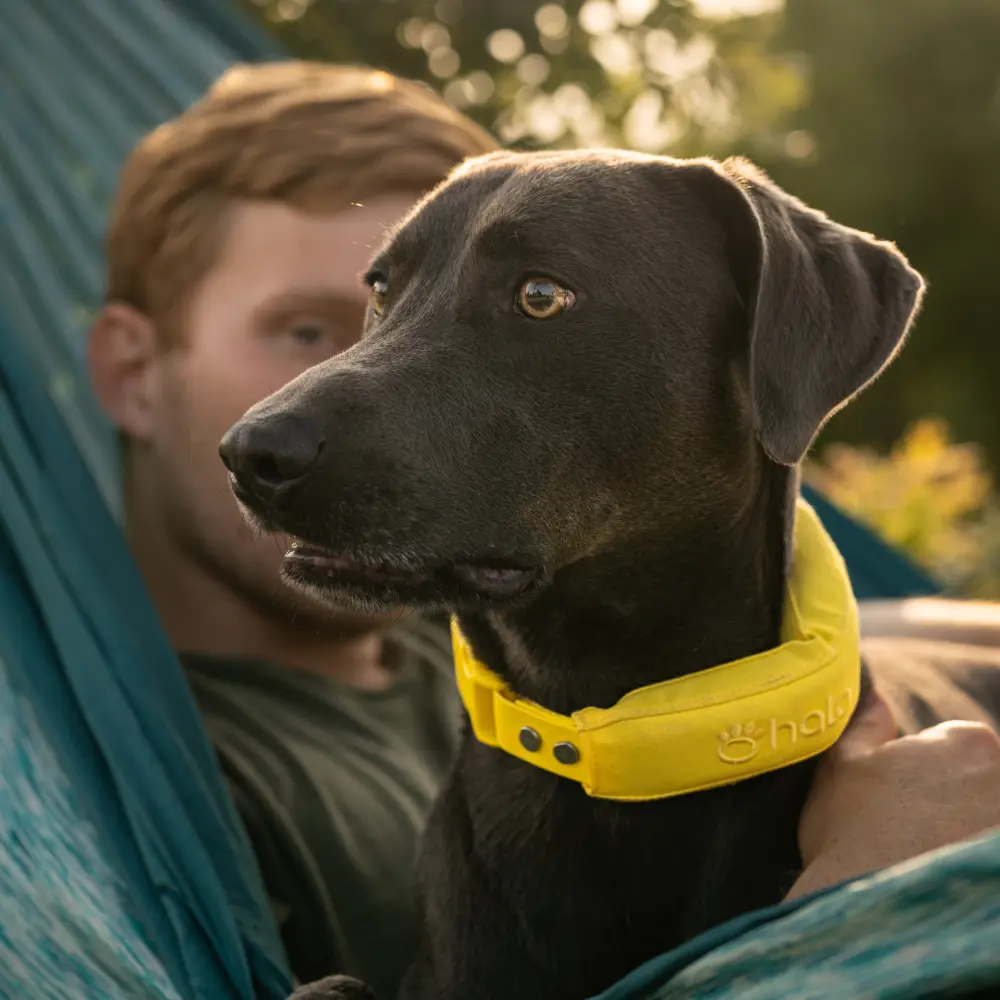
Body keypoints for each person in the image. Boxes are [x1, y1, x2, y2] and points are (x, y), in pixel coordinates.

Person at [87, 55, 1000, 997]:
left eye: (537, 298)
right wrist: (868, 915)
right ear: (131, 370)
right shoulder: (131, 788)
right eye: (386, 301)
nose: (280, 424)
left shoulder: (476, 631)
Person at [86, 60, 497, 997]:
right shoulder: (136, 791)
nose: (390, 397)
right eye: (310, 332)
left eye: (442, 333)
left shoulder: (515, 644)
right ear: (133, 375)